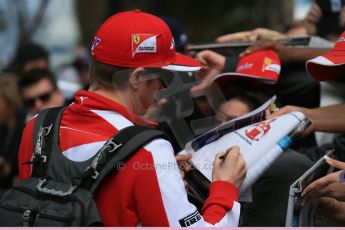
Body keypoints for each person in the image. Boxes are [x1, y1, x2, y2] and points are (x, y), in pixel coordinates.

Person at [18, 10, 247, 227]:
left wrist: (157, 174)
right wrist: (224, 189)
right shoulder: (149, 150)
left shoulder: (37, 126)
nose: (163, 87)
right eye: (163, 76)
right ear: (137, 78)